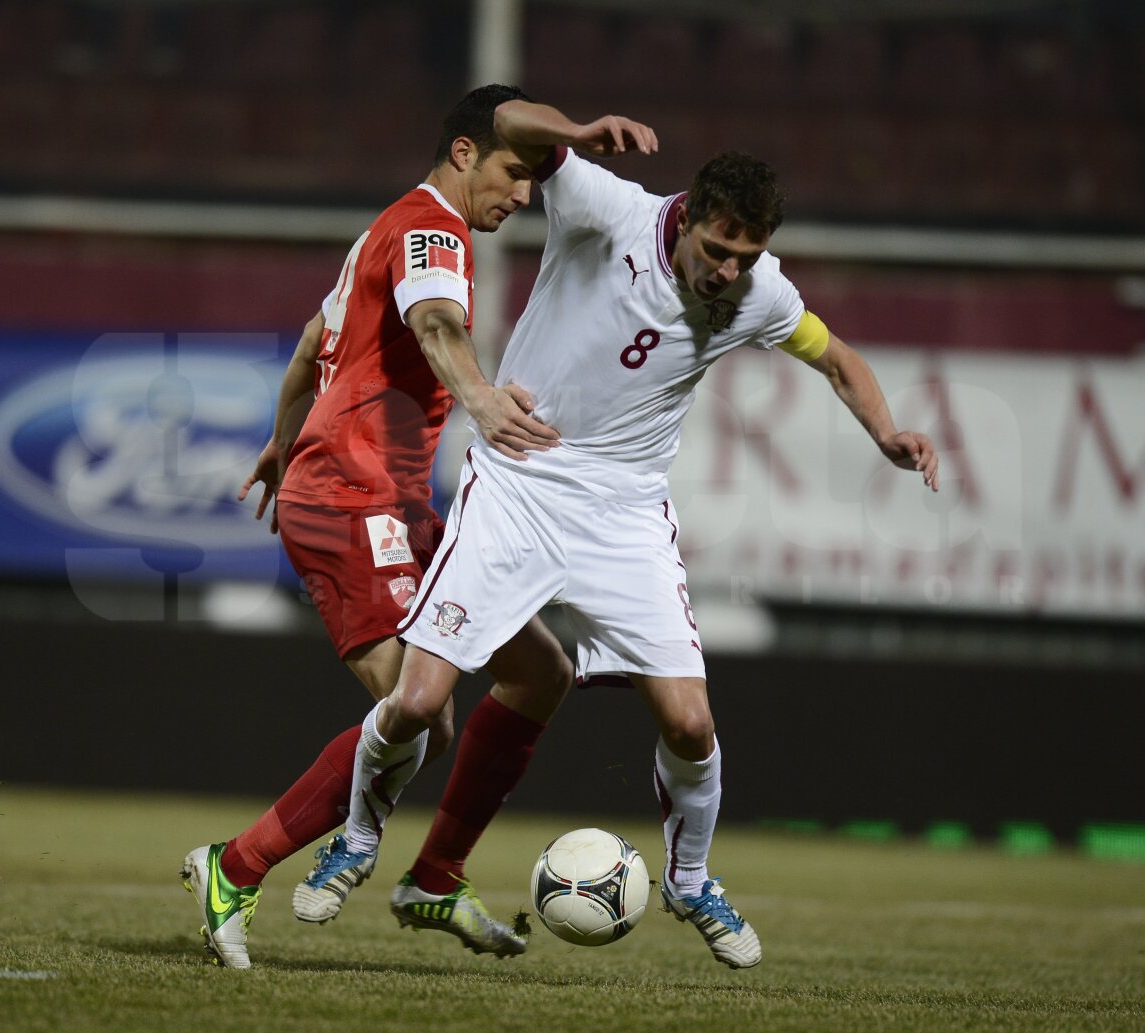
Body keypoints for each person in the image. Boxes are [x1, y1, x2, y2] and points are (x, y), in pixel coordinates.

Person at [325, 97, 941, 971]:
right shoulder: (605, 206)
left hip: (626, 512)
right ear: (686, 218)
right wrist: (573, 134)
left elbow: (838, 358)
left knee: (690, 722)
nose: (728, 271)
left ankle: (690, 880)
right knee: (420, 699)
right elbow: (506, 119)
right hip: (522, 481)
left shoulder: (762, 294)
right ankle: (356, 839)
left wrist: (887, 431)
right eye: (718, 250)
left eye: (746, 257)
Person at [180, 84, 578, 970]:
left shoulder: (384, 228)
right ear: (466, 152)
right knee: (419, 713)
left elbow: (306, 346)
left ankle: (435, 875)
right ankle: (232, 867)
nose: (522, 197)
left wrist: (281, 444)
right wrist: (477, 394)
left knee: (540, 670)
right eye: (515, 172)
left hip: (386, 500)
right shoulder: (432, 229)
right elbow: (437, 323)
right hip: (355, 498)